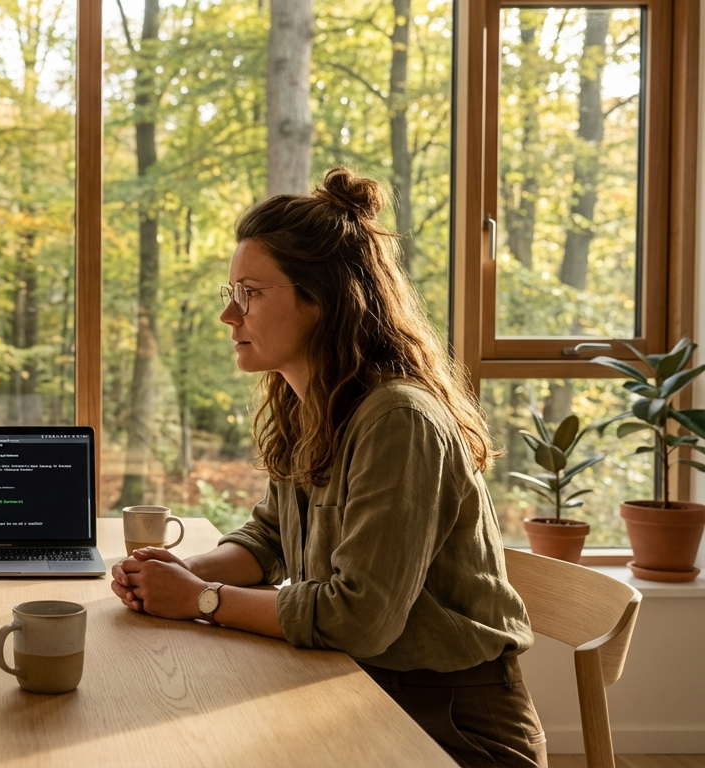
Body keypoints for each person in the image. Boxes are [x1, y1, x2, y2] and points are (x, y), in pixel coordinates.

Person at [110, 168, 545, 767]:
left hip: (448, 729)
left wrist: (200, 600)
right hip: (355, 687)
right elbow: (270, 539)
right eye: (229, 294)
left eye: (252, 294)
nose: (229, 318)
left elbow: (358, 618)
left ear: (323, 301)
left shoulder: (399, 419)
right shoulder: (307, 402)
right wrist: (174, 574)